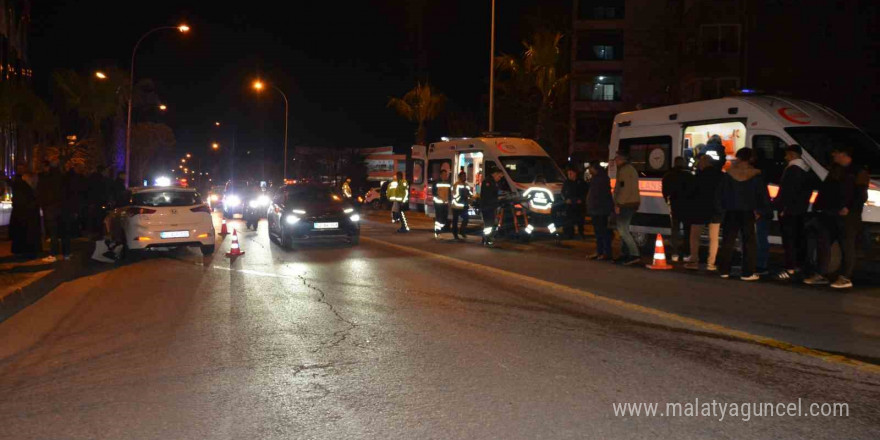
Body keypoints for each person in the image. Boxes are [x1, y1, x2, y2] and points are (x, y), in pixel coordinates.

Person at [805, 145, 869, 289]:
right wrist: (819, 207)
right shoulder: (836, 169)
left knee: (847, 245)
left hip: (847, 215)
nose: (833, 155)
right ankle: (821, 274)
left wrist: (849, 207)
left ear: (844, 154)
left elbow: (861, 194)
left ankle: (845, 277)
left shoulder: (858, 171)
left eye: (836, 153)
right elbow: (826, 189)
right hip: (830, 212)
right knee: (824, 243)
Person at [715, 148, 771, 281]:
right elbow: (762, 195)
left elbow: (719, 195)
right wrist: (762, 211)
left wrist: (721, 210)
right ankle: (747, 273)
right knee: (749, 243)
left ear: (738, 157)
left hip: (731, 211)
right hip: (748, 212)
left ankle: (724, 270)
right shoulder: (756, 175)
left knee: (728, 241)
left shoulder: (728, 174)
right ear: (751, 158)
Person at [772, 145, 812, 281]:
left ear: (792, 155)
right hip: (801, 210)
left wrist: (782, 208)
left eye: (787, 155)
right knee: (799, 239)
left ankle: (789, 268)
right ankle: (799, 266)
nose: (785, 157)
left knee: (789, 240)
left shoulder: (792, 170)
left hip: (789, 211)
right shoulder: (806, 169)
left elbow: (787, 192)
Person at [684, 155, 724, 271]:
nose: (699, 164)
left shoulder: (698, 176)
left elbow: (691, 192)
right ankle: (711, 264)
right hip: (716, 210)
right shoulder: (721, 175)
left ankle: (694, 261)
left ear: (704, 163)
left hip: (699, 209)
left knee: (695, 236)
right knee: (714, 238)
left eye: (700, 162)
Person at [662, 156, 694, 261]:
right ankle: (686, 254)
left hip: (675, 206)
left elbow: (665, 192)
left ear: (675, 163)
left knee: (675, 231)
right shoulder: (689, 176)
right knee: (687, 231)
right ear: (683, 164)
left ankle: (674, 254)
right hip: (688, 206)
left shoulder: (668, 176)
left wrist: (668, 201)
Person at [612, 151, 641, 265]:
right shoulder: (630, 169)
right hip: (630, 203)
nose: (615, 161)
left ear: (621, 159)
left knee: (623, 230)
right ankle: (626, 253)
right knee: (624, 229)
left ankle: (634, 254)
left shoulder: (624, 171)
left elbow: (624, 189)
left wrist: (618, 204)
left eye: (616, 159)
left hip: (626, 204)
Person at [9, 163, 42, 259]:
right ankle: (29, 251)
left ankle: (25, 251)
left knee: (25, 235)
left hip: (25, 216)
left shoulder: (25, 188)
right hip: (28, 216)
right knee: (28, 235)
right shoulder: (28, 189)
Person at [586, 161, 614, 260]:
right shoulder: (599, 178)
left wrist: (593, 206)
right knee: (600, 232)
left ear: (594, 168)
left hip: (600, 210)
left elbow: (598, 196)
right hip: (598, 209)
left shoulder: (600, 179)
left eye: (590, 168)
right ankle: (600, 251)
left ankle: (604, 252)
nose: (589, 170)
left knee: (602, 232)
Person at [562, 165, 588, 239]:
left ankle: (581, 233)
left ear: (575, 173)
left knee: (580, 220)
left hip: (579, 205)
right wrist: (566, 199)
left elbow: (585, 192)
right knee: (569, 220)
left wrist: (581, 200)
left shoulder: (581, 182)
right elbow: (563, 192)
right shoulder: (566, 182)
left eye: (571, 173)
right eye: (568, 173)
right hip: (570, 204)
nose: (569, 175)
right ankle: (570, 234)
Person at [480, 168, 504, 246]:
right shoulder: (488, 182)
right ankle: (487, 240)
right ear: (495, 174)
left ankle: (486, 239)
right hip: (487, 206)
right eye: (499, 177)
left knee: (490, 224)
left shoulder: (493, 182)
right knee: (488, 224)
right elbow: (488, 196)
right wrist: (497, 198)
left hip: (491, 206)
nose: (499, 179)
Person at [451, 171, 473, 240]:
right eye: (463, 176)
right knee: (455, 221)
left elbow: (470, 193)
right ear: (459, 177)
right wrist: (462, 194)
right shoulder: (456, 185)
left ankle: (462, 231)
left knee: (466, 219)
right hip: (456, 206)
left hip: (464, 205)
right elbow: (454, 195)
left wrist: (470, 195)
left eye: (465, 176)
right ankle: (455, 234)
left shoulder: (466, 185)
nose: (464, 177)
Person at [431, 169, 452, 238]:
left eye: (446, 175)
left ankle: (439, 229)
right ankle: (437, 231)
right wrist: (439, 199)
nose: (445, 176)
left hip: (445, 203)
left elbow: (449, 193)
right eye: (443, 174)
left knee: (444, 218)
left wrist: (449, 200)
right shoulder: (436, 182)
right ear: (440, 175)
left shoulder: (447, 183)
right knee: (439, 218)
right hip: (438, 203)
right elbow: (434, 193)